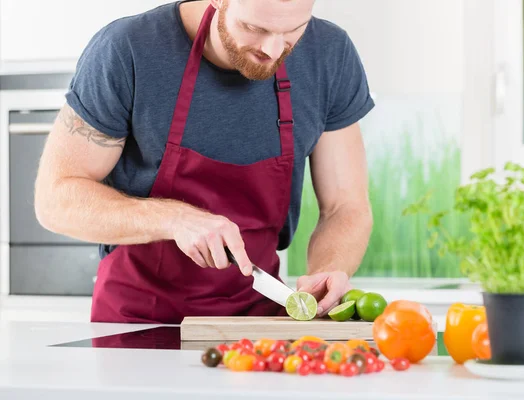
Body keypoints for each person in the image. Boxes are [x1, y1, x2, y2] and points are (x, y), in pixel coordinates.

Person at [34, 0, 374, 324]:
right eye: (254, 27)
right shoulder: (127, 50)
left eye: (293, 30)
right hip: (136, 323)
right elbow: (56, 199)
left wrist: (329, 268)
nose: (272, 50)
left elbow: (345, 207)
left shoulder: (330, 55)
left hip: (258, 324)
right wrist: (175, 218)